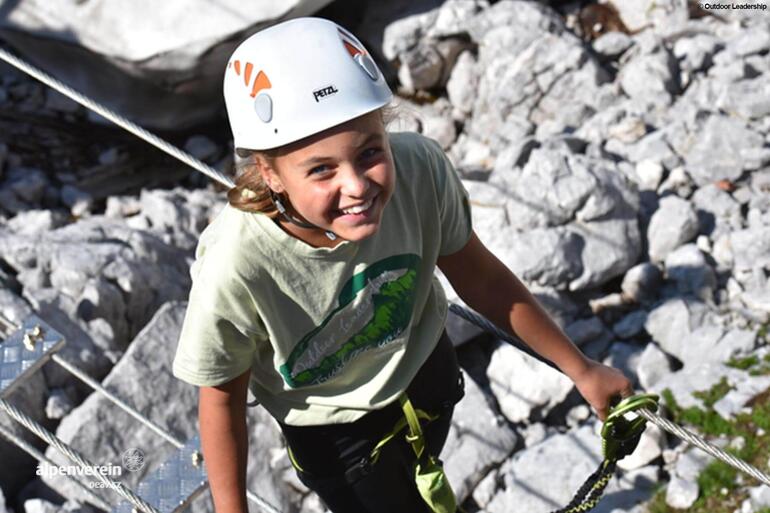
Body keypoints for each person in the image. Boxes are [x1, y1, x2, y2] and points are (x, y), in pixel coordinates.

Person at [172, 17, 633, 513]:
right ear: (270, 172)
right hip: (339, 442)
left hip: (428, 375)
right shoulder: (237, 265)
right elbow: (220, 400)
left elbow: (481, 278)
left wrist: (580, 370)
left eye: (370, 152)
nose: (357, 186)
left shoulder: (419, 171)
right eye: (322, 169)